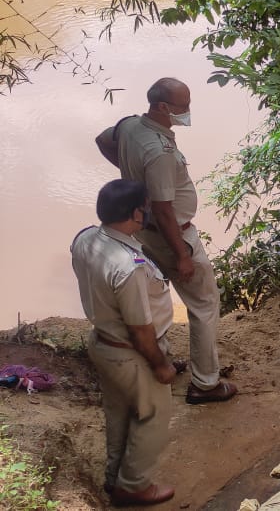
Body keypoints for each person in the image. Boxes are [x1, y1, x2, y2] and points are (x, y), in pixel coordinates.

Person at [95, 77, 237, 404]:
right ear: (162, 107)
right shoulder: (159, 152)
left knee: (153, 300)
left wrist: (131, 175)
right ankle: (205, 384)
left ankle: (157, 361)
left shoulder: (130, 126)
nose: (187, 112)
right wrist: (183, 255)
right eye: (182, 106)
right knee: (203, 305)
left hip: (139, 230)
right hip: (170, 234)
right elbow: (162, 210)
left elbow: (103, 139)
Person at [71, 180, 177, 506]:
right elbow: (141, 330)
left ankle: (113, 477)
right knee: (154, 415)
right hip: (130, 353)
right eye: (145, 208)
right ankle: (133, 486)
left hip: (102, 343)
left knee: (118, 414)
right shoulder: (128, 267)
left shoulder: (86, 238)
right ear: (135, 213)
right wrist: (160, 365)